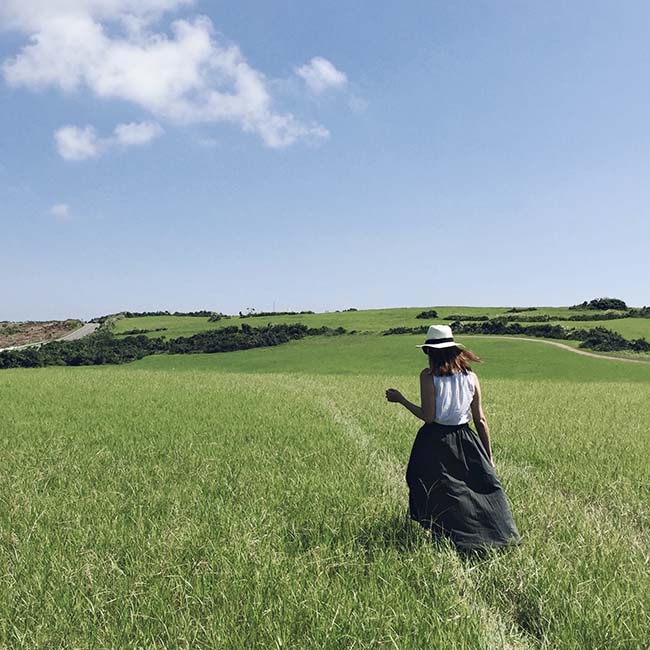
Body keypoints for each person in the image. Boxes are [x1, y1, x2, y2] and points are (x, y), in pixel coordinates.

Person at [385, 324, 521, 552]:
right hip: (466, 439)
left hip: (435, 440)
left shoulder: (428, 376)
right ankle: (500, 536)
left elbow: (428, 417)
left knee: (440, 491)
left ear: (430, 352)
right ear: (453, 349)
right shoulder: (471, 377)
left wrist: (401, 400)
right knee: (481, 488)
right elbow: (481, 420)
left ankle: (451, 539)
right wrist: (488, 455)